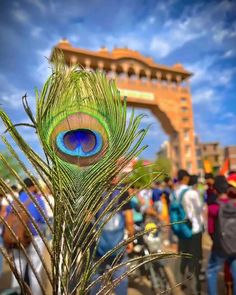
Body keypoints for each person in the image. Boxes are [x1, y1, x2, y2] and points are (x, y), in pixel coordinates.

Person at [90, 177, 134, 295]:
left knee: (96, 277)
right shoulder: (122, 191)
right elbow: (129, 220)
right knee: (120, 276)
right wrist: (130, 239)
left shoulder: (95, 192)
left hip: (98, 246)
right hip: (118, 245)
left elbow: (87, 218)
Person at [8, 178, 47, 295]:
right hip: (35, 238)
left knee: (18, 271)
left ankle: (15, 293)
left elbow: (8, 219)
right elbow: (44, 220)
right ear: (33, 185)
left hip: (17, 238)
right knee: (35, 271)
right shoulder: (38, 200)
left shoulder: (15, 200)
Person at [171, 170, 203, 294]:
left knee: (183, 255)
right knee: (194, 259)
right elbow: (199, 209)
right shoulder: (191, 193)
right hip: (193, 229)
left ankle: (181, 282)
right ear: (184, 178)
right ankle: (196, 289)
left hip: (181, 230)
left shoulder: (174, 193)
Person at [207, 175, 236, 295]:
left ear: (215, 190)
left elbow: (210, 230)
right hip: (234, 244)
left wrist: (217, 242)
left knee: (211, 271)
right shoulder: (234, 205)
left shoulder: (213, 207)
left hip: (220, 246)